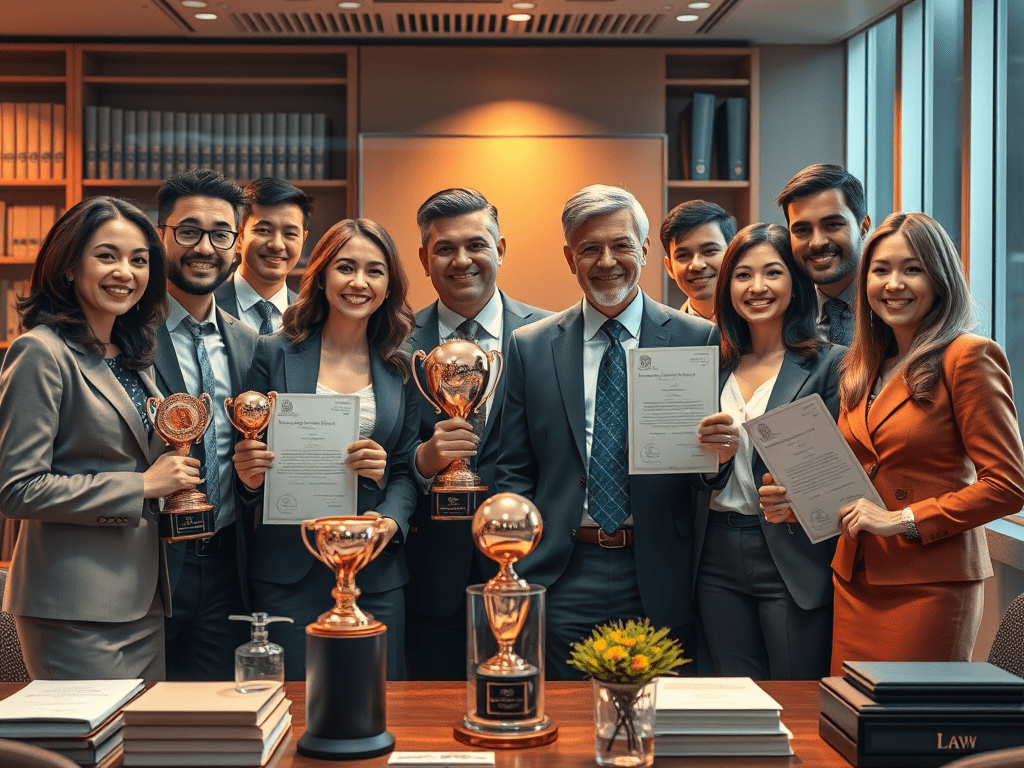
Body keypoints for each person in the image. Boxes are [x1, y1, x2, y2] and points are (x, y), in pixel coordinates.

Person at [760, 212, 1024, 673]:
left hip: (927, 586)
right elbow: (859, 477)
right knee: (847, 715)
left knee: (906, 718)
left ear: (940, 278)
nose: (894, 284)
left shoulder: (969, 356)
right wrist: (798, 503)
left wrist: (900, 520)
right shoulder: (865, 365)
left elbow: (1007, 486)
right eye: (880, 270)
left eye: (912, 269)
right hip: (855, 578)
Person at [495, 184, 740, 680]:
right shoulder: (530, 346)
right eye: (590, 248)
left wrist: (718, 460)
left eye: (621, 245)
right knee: (564, 712)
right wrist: (519, 559)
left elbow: (702, 472)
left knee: (655, 715)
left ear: (645, 251)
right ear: (570, 258)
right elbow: (513, 467)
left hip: (658, 569)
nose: (607, 261)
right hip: (561, 570)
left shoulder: (697, 338)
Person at [0, 196, 197, 679]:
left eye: (139, 260)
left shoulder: (132, 355)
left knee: (143, 732)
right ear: (69, 266)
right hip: (72, 608)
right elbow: (18, 489)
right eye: (107, 256)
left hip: (144, 600)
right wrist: (142, 486)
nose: (125, 272)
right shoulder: (39, 352)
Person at [232, 218, 418, 681]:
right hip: (288, 569)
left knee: (380, 703)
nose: (359, 282)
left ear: (389, 285)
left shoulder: (402, 365)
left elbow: (405, 468)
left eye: (374, 271)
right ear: (321, 276)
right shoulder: (273, 353)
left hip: (375, 571)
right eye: (345, 267)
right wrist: (250, 479)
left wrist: (390, 518)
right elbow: (247, 449)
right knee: (294, 704)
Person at [404, 188, 551, 680]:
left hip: (528, 565)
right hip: (427, 572)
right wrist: (421, 461)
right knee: (430, 712)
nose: (461, 259)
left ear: (500, 250)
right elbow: (383, 443)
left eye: (476, 245)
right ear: (424, 259)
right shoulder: (395, 341)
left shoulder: (551, 336)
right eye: (445, 248)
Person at [693, 223, 844, 681]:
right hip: (715, 552)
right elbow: (689, 469)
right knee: (733, 697)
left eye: (772, 273)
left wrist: (803, 500)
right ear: (727, 286)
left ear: (795, 283)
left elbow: (842, 472)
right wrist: (715, 464)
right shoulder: (708, 363)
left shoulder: (831, 363)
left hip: (791, 551)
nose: (757, 287)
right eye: (743, 275)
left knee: (795, 695)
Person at [153, 169, 260, 681]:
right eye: (188, 231)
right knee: (142, 711)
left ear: (236, 245)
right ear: (160, 235)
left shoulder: (249, 343)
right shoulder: (124, 334)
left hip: (226, 564)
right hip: (150, 565)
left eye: (221, 234)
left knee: (216, 711)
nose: (204, 247)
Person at [776, 164, 871, 345]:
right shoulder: (782, 320)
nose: (817, 242)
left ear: (864, 227)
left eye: (833, 225)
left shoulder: (894, 308)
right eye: (802, 230)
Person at [215, 177, 309, 335]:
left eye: (290, 233)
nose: (277, 245)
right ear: (239, 237)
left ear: (303, 240)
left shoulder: (311, 316)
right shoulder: (204, 305)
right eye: (264, 230)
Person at [660, 199, 736, 321]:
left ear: (734, 254)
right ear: (669, 267)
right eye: (683, 255)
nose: (696, 265)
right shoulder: (660, 331)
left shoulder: (762, 325)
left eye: (709, 251)